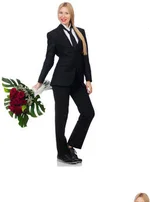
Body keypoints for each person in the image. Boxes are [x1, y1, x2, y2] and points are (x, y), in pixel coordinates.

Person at [34, 2, 95, 165]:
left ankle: (70, 145)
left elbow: (85, 58)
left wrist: (88, 79)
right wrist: (40, 80)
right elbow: (49, 60)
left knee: (88, 112)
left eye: (66, 13)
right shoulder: (53, 35)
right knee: (62, 117)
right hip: (60, 81)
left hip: (77, 81)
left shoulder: (81, 32)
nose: (63, 16)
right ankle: (62, 153)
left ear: (71, 15)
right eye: (60, 13)